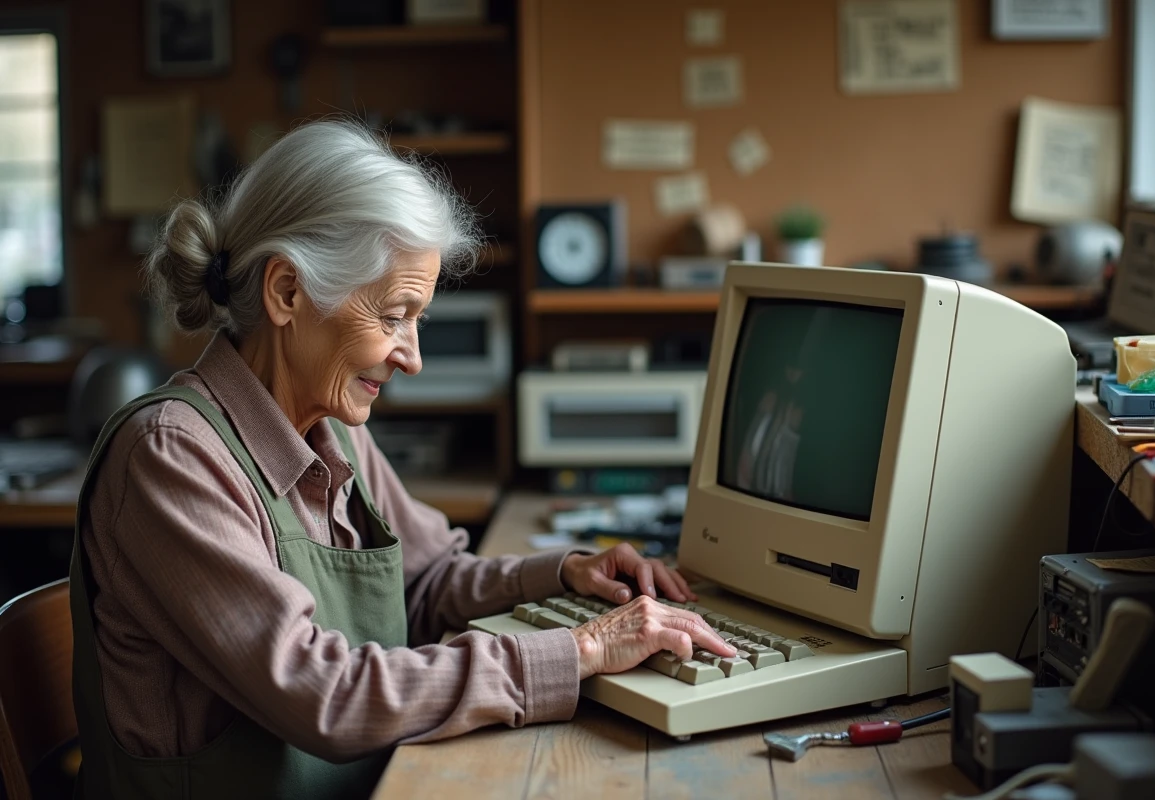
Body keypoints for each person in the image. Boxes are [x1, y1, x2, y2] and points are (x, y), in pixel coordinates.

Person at [70, 119, 734, 800]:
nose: (412, 358)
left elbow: (427, 581)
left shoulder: (334, 429)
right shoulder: (170, 458)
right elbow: (321, 692)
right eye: (394, 316)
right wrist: (582, 651)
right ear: (288, 293)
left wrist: (567, 574)